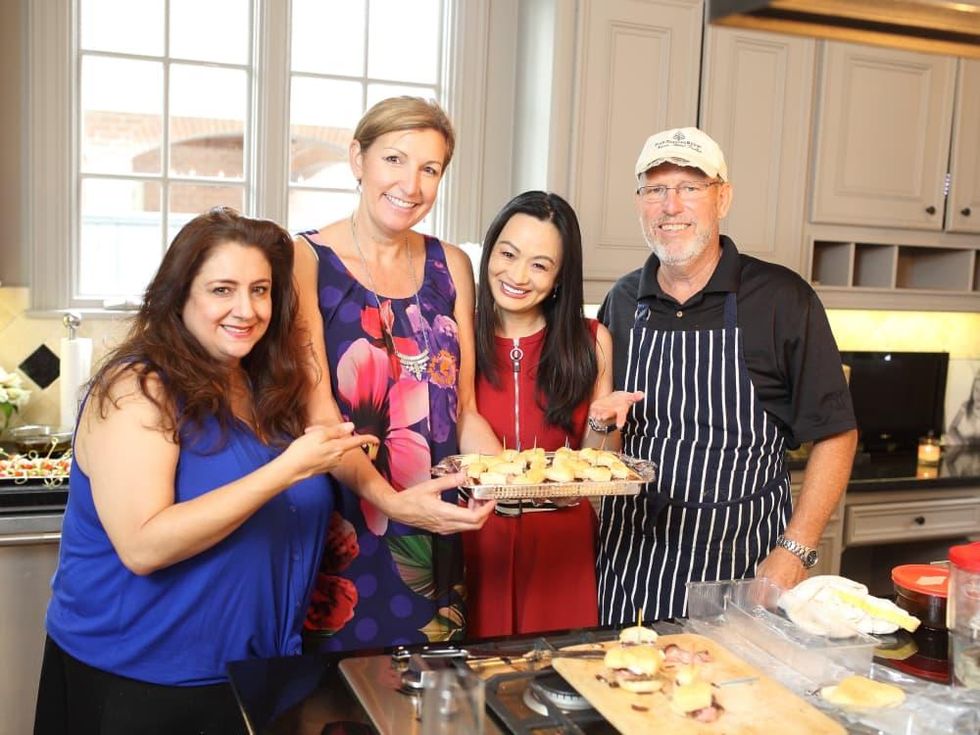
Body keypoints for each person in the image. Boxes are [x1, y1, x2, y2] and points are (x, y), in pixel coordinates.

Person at [35, 208, 372, 734]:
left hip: (250, 676)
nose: (246, 309)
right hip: (139, 683)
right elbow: (144, 546)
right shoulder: (138, 390)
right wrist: (286, 470)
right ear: (180, 295)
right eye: (222, 289)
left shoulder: (261, 386)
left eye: (260, 290)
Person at [591, 127, 858, 623]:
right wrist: (600, 427)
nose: (671, 206)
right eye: (655, 189)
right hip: (630, 572)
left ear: (723, 198)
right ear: (640, 203)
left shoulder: (782, 299)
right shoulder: (621, 302)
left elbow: (836, 434)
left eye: (690, 187)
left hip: (742, 573)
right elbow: (604, 443)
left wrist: (794, 553)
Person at [294, 96, 499, 650]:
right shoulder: (306, 260)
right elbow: (318, 418)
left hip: (434, 526)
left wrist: (499, 477)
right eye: (395, 160)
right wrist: (389, 501)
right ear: (357, 158)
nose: (411, 184)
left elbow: (465, 410)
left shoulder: (451, 264)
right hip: (342, 526)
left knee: (428, 703)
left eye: (429, 169)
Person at [463, 191, 614, 637]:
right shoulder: (457, 336)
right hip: (475, 539)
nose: (516, 275)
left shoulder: (591, 341)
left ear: (560, 277)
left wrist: (603, 421)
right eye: (507, 254)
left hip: (562, 547)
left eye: (539, 264)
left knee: (557, 682)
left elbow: (599, 461)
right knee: (474, 686)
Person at [947, 369, 980, 445]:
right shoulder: (965, 406)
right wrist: (961, 441)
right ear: (972, 390)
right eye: (976, 390)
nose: (979, 394)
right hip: (963, 446)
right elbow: (952, 428)